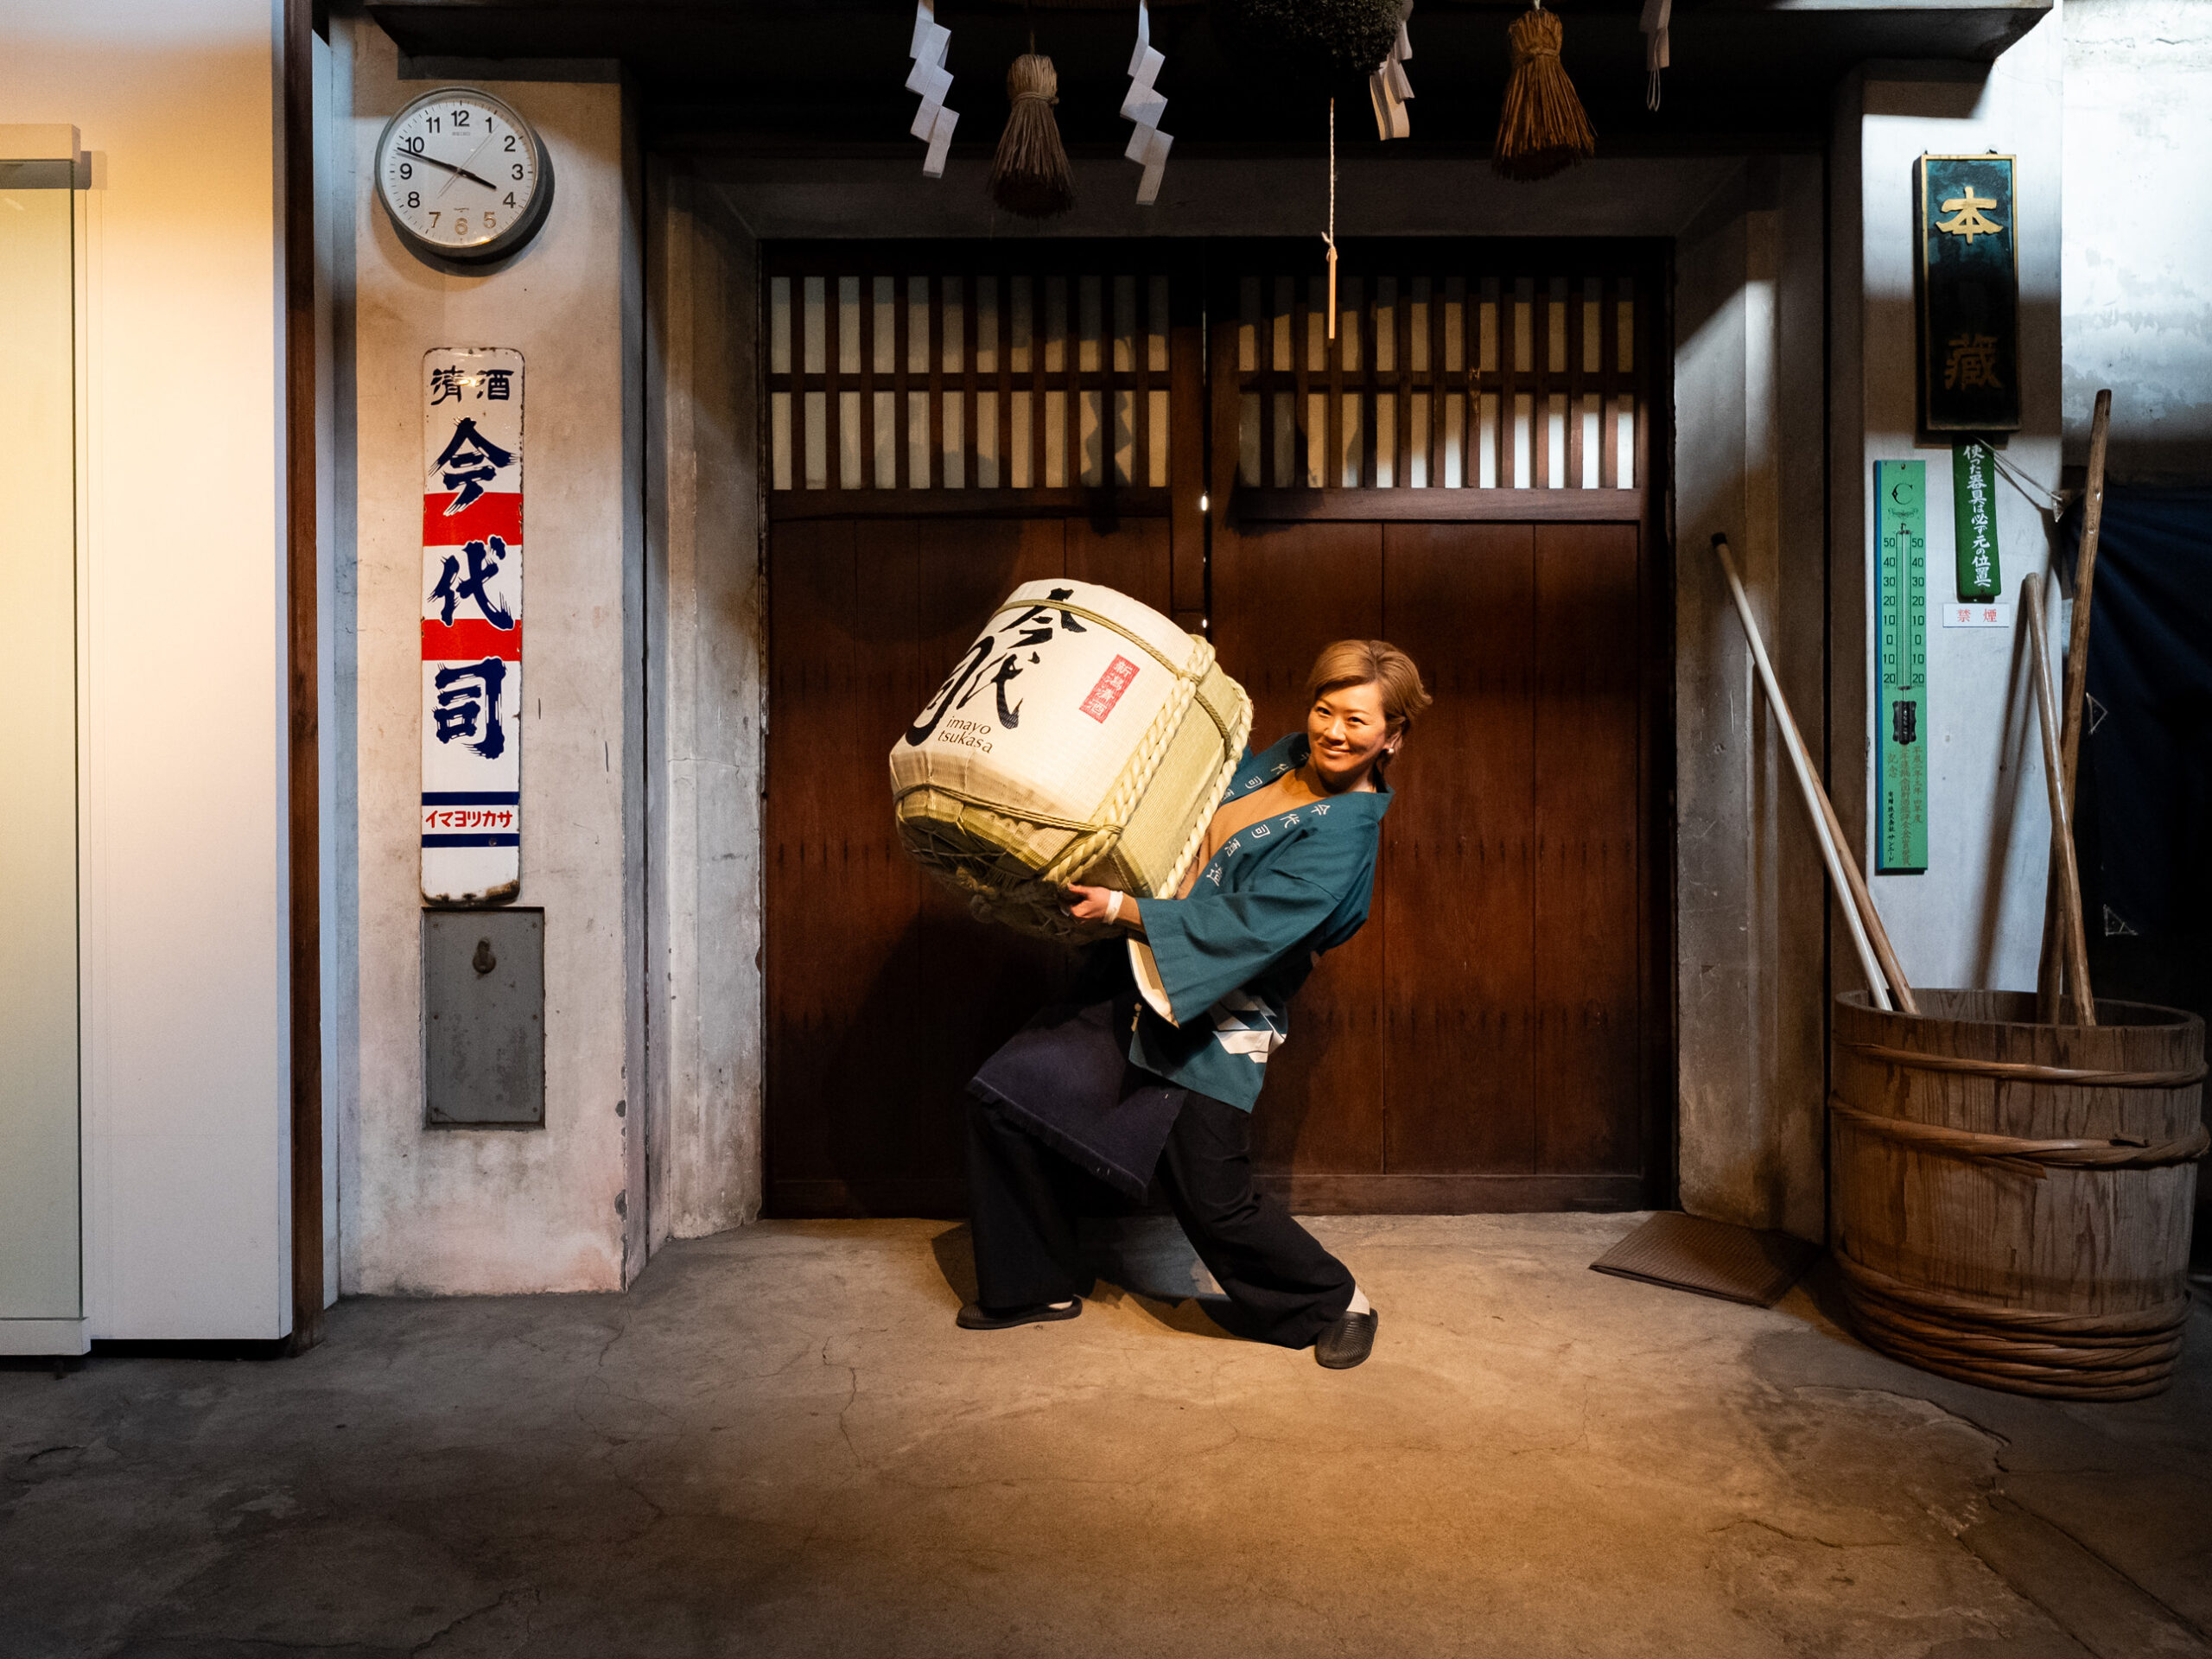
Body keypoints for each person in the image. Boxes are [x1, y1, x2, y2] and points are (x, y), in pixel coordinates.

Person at [960, 639, 1432, 1369]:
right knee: (1006, 1097)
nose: (1334, 732)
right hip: (1142, 972)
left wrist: (1121, 908)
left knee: (1215, 1202)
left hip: (1216, 1015)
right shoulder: (1282, 760)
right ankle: (1035, 1284)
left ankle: (1338, 1301)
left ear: (1392, 736)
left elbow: (1243, 926)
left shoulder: (1345, 838)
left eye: (1357, 721)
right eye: (1325, 709)